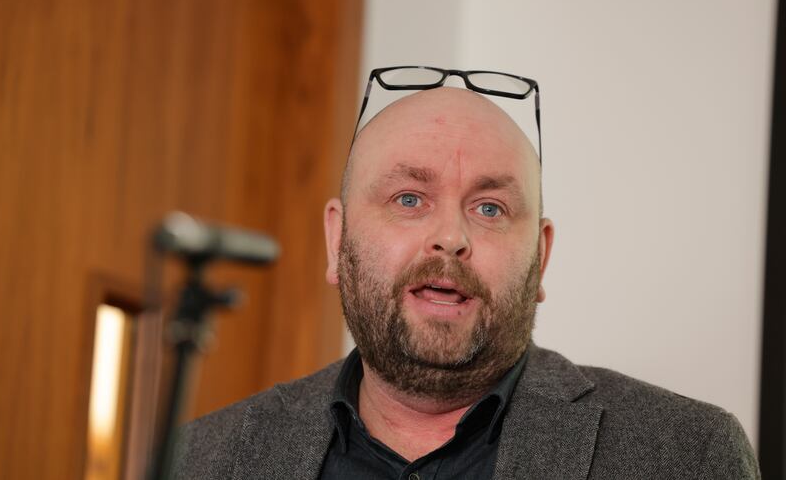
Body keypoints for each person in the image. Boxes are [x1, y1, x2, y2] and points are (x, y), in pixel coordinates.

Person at [174, 70, 759, 479]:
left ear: (540, 258)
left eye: (490, 208)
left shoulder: (687, 454)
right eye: (409, 199)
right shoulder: (197, 460)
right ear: (337, 239)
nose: (450, 236)